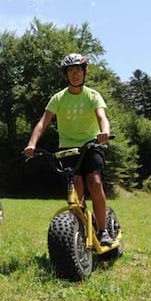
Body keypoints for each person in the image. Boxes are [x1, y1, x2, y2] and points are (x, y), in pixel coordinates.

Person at [23, 53, 114, 246]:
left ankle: (103, 230)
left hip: (91, 144)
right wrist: (32, 143)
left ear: (84, 73)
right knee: (76, 190)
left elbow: (102, 117)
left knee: (95, 182)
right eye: (71, 71)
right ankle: (79, 228)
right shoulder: (58, 98)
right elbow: (42, 123)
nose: (75, 75)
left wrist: (105, 132)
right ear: (66, 75)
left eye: (78, 71)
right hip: (68, 148)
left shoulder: (92, 95)